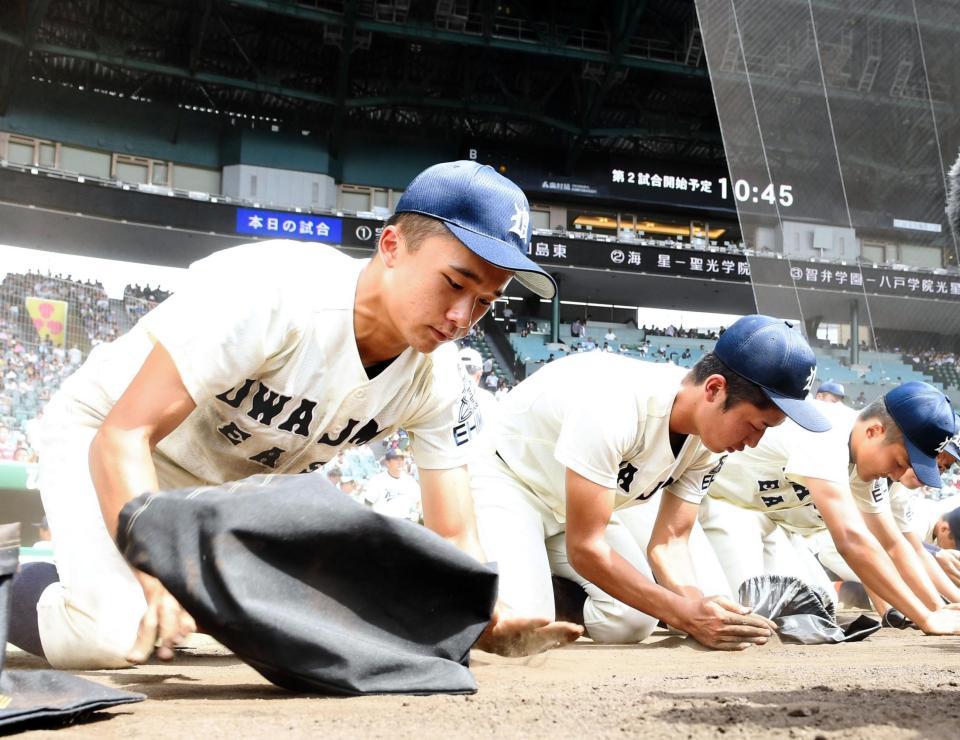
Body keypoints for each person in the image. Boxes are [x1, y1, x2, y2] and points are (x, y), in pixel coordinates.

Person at [10, 160, 580, 669]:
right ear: (391, 246)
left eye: (484, 301)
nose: (461, 316)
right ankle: (15, 585)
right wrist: (156, 572)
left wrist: (480, 613)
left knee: (317, 633)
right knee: (114, 633)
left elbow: (453, 528)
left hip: (226, 493)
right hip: (114, 445)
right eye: (454, 282)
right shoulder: (276, 293)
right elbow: (123, 433)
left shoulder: (440, 374)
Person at [471, 314, 830, 649]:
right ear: (714, 389)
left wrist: (696, 606)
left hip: (573, 510)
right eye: (755, 425)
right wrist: (681, 613)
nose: (754, 442)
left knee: (631, 621)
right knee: (524, 630)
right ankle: (480, 573)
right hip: (510, 483)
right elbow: (586, 548)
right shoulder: (616, 402)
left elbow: (670, 542)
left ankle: (544, 582)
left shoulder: (709, 442)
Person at [700, 382, 960, 636]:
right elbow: (851, 541)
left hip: (771, 525)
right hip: (717, 504)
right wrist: (925, 617)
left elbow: (894, 544)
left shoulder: (866, 460)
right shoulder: (827, 430)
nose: (899, 473)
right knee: (740, 615)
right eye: (900, 461)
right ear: (874, 431)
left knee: (816, 609)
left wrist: (940, 609)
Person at [364, 449, 422, 522]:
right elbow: (367, 503)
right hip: (384, 522)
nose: (400, 462)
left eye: (402, 459)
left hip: (404, 522)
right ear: (387, 463)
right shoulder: (378, 480)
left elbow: (419, 500)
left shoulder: (410, 481)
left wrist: (417, 512)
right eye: (396, 459)